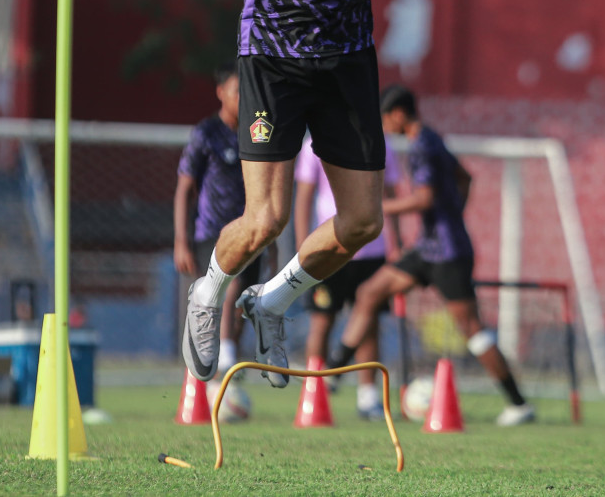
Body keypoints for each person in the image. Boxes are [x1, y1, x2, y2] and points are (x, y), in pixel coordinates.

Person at [183, 0, 489, 388]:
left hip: (348, 54)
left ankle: (272, 299)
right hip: (271, 54)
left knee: (363, 222)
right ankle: (210, 291)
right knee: (264, 218)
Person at [325, 84, 536, 426]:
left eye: (385, 118)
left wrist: (380, 207)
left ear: (398, 114)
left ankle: (519, 404)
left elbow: (424, 199)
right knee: (369, 293)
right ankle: (334, 374)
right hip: (428, 247)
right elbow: (465, 178)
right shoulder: (433, 139)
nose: (384, 125)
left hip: (448, 254)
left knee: (471, 328)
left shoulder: (422, 144)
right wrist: (453, 216)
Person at [293, 133, 404, 418]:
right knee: (322, 320)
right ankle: (314, 393)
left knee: (369, 323)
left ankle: (368, 397)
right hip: (329, 246)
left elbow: (388, 194)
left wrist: (397, 243)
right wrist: (303, 245)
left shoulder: (379, 142)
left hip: (372, 249)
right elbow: (304, 195)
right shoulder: (314, 144)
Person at [173, 63, 274, 376]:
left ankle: (230, 368)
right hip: (212, 233)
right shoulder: (206, 133)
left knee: (244, 297)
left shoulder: (257, 132)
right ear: (220, 93)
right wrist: (181, 241)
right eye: (236, 91)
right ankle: (221, 356)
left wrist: (271, 242)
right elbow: (184, 189)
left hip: (253, 232)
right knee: (227, 286)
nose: (243, 98)